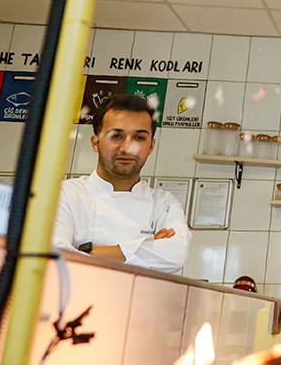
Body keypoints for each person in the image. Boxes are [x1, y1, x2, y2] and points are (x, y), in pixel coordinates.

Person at [52, 94, 191, 273]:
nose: (127, 147)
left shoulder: (164, 202)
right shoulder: (66, 194)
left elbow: (175, 255)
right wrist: (150, 246)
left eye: (139, 138)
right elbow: (57, 255)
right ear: (96, 143)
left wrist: (85, 252)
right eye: (116, 136)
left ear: (151, 146)